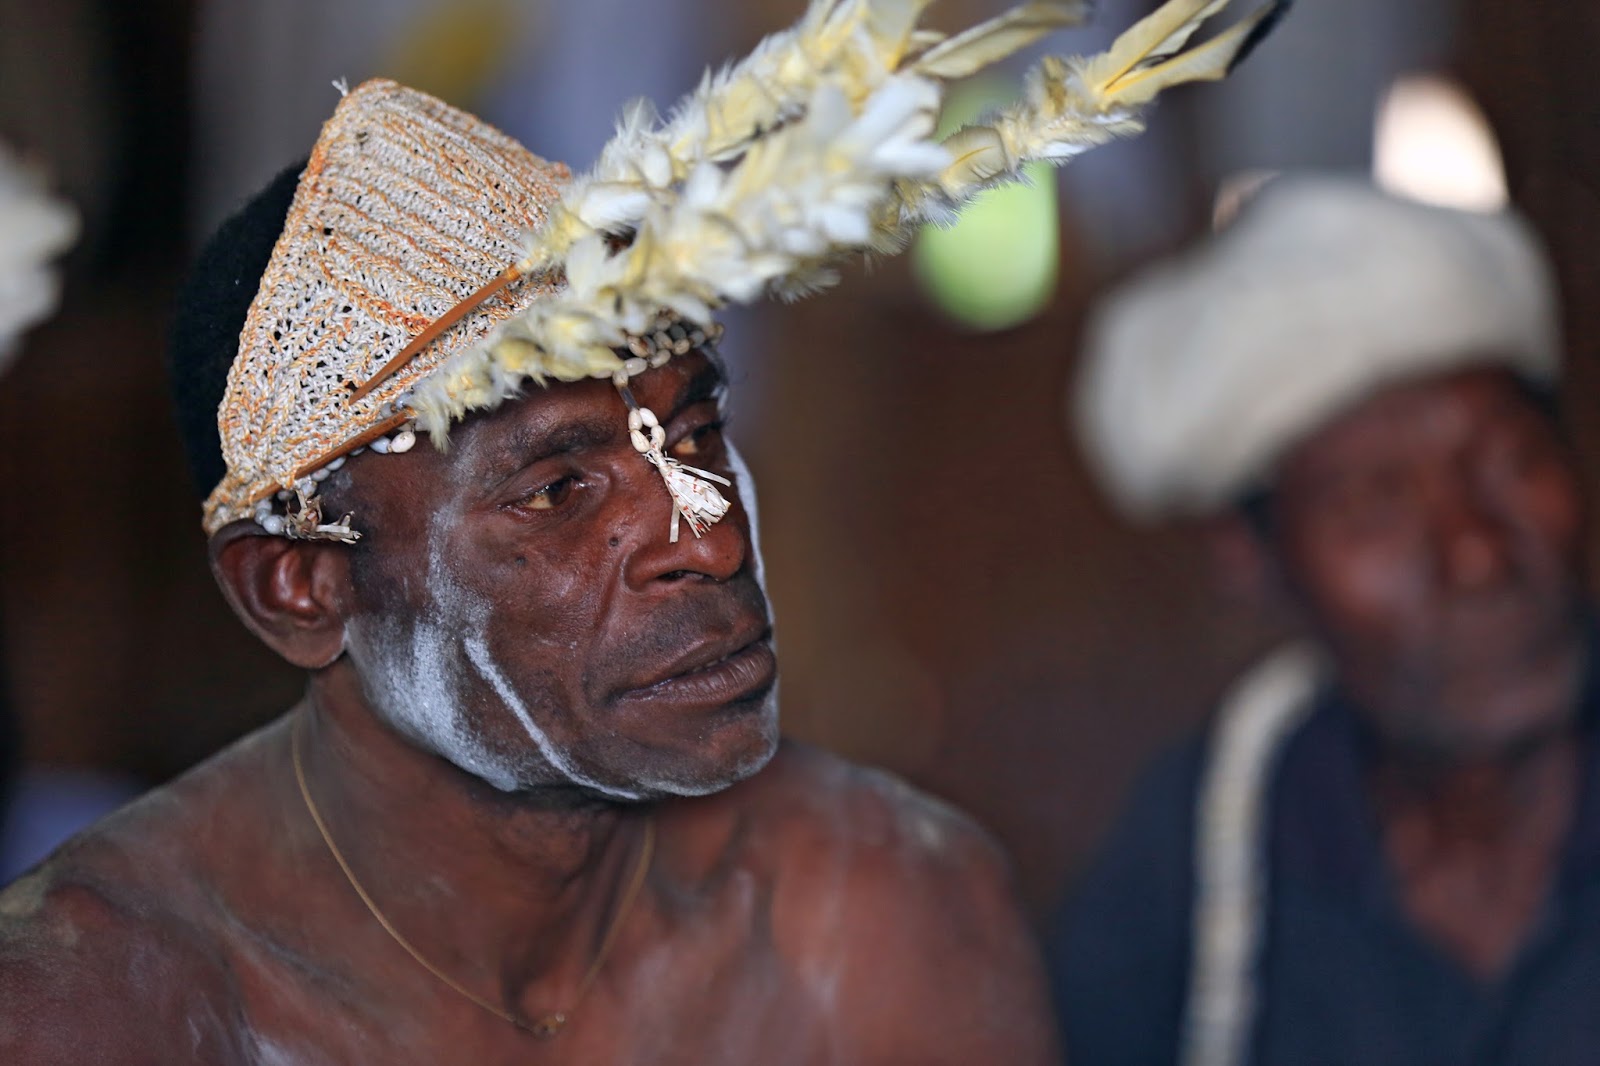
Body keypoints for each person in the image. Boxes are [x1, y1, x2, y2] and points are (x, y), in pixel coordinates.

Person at [0, 0, 1284, 1058]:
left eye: (694, 429)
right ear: (301, 587)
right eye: (558, 488)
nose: (710, 541)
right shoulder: (105, 1004)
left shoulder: (882, 911)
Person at [1052, 176, 1600, 1065]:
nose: (1478, 554)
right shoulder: (1205, 848)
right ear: (1253, 559)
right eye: (1377, 506)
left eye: (1513, 462)